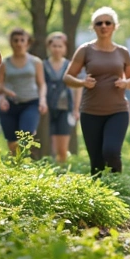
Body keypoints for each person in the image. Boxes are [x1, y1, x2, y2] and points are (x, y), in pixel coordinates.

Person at [65, 8, 130, 175]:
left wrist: (125, 83)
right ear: (94, 27)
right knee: (96, 162)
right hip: (90, 112)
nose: (104, 26)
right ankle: (100, 197)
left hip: (117, 111)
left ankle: (117, 188)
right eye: (99, 23)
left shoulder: (122, 52)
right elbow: (68, 77)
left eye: (108, 23)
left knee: (111, 152)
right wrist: (82, 82)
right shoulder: (85, 50)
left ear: (114, 26)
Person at [0, 28, 47, 155]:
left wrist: (43, 100)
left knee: (26, 135)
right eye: (15, 40)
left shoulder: (35, 62)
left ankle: (26, 162)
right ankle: (16, 165)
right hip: (10, 104)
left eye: (22, 40)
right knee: (12, 141)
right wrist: (3, 97)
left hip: (31, 103)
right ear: (11, 43)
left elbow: (42, 84)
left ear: (27, 42)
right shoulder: (4, 63)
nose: (19, 43)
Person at [44, 32, 81, 164]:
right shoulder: (42, 65)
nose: (57, 49)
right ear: (49, 47)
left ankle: (62, 171)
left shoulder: (70, 65)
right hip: (47, 109)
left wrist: (76, 109)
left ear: (64, 48)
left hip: (65, 109)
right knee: (49, 147)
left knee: (62, 147)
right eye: (54, 46)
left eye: (60, 46)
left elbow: (78, 87)